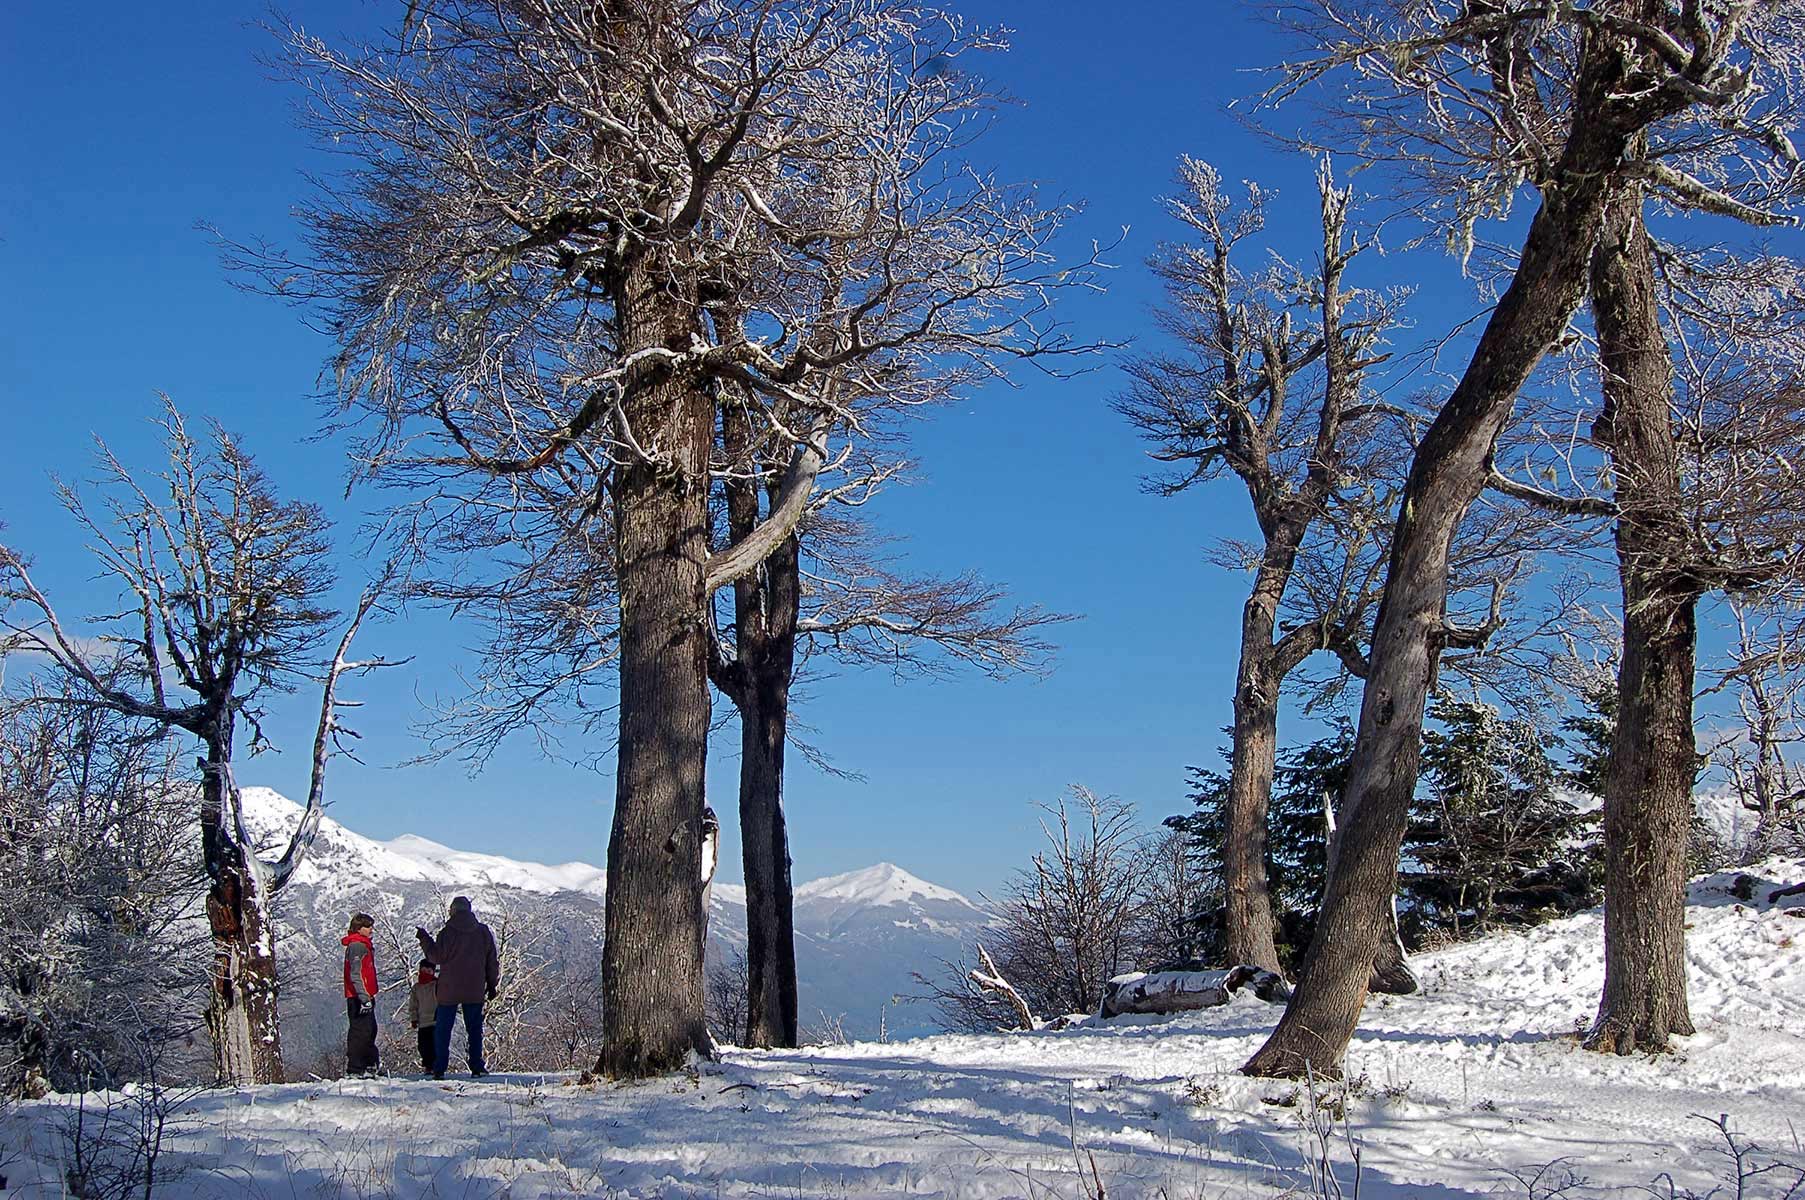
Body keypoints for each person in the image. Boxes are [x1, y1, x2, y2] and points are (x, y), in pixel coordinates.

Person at [416, 895, 499, 1079]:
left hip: (448, 989)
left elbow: (436, 957)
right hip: (474, 988)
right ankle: (477, 1066)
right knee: (475, 1029)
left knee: (443, 1030)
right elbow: (491, 961)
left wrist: (424, 939)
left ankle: (439, 1068)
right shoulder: (483, 932)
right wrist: (492, 985)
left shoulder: (447, 933)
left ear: (453, 911)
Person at [342, 913, 381, 1078]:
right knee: (361, 1031)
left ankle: (369, 1064)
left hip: (365, 994)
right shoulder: (357, 946)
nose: (371, 929)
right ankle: (357, 1068)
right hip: (359, 996)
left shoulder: (362, 944)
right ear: (359, 928)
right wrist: (364, 997)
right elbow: (355, 973)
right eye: (368, 926)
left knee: (370, 1030)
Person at [406, 960, 440, 1073]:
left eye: (429, 971)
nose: (426, 973)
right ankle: (428, 1065)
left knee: (435, 1044)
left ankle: (436, 1065)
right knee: (423, 1046)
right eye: (424, 970)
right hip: (423, 1022)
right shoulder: (417, 988)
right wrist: (414, 1018)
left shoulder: (437, 984)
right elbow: (413, 1005)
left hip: (435, 1021)